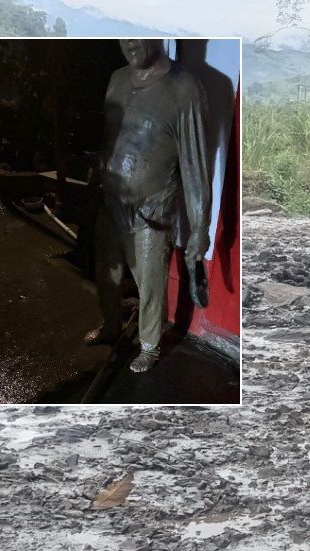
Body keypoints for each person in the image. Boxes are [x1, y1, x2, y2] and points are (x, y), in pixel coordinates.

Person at [84, 39, 211, 373]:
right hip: (111, 202)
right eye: (123, 33)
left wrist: (200, 229)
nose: (129, 42)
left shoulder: (184, 89)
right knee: (105, 272)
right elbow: (108, 139)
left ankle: (150, 346)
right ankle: (111, 325)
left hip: (150, 212)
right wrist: (95, 183)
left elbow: (195, 166)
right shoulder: (116, 79)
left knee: (150, 284)